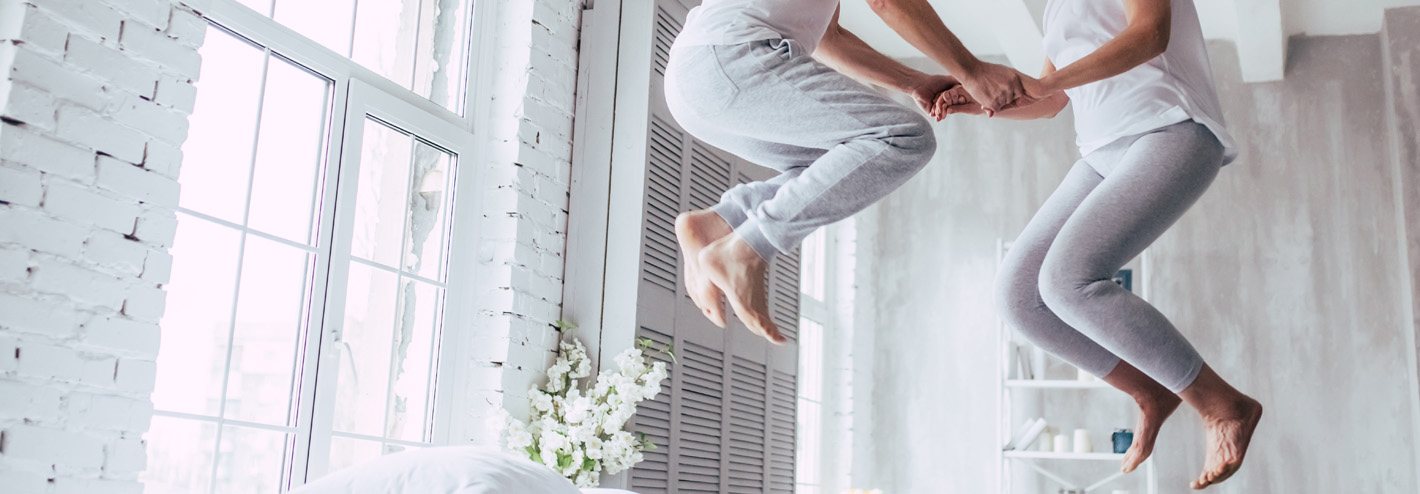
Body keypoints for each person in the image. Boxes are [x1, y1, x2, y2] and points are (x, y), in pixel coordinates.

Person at [934, 0, 1263, 489]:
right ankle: (1151, 391)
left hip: (1170, 128)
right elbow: (1050, 101)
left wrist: (1046, 83)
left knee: (1066, 280)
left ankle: (1223, 405)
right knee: (1018, 297)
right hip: (1101, 152)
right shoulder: (1056, 10)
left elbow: (1151, 32)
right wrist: (976, 104)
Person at [667, 0, 1026, 343]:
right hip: (732, 58)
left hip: (698, 77)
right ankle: (747, 248)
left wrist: (915, 82)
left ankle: (723, 220)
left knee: (839, 165)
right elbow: (887, 3)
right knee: (906, 138)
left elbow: (830, 37)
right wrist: (972, 70)